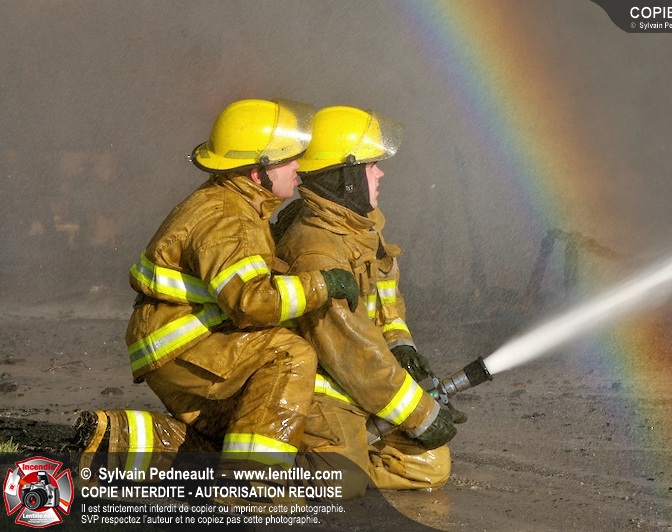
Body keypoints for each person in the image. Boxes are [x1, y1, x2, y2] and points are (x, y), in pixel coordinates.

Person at [74, 99, 360, 479]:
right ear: (258, 171)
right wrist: (323, 283)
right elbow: (251, 302)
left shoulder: (235, 203)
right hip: (184, 343)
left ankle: (117, 440)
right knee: (288, 355)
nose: (298, 166)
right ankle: (250, 489)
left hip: (174, 344)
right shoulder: (229, 219)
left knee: (246, 423)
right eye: (288, 159)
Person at [274, 105, 460, 499]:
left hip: (361, 384)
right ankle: (258, 464)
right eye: (371, 165)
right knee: (342, 482)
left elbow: (385, 297)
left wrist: (401, 345)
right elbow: (351, 350)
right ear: (345, 177)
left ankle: (345, 453)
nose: (380, 174)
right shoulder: (316, 249)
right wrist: (420, 414)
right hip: (319, 393)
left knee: (430, 465)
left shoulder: (359, 225)